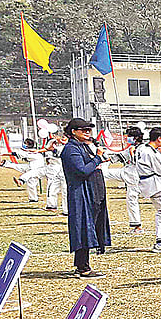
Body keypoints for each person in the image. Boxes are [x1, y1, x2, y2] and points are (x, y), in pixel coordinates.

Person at [59, 118, 110, 277]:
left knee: (91, 227)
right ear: (74, 132)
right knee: (83, 228)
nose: (88, 133)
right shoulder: (71, 149)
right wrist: (98, 158)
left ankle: (83, 264)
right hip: (81, 194)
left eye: (89, 130)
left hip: (93, 193)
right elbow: (82, 170)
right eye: (84, 130)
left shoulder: (84, 147)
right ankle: (83, 267)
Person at [0, 138, 48, 202]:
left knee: (29, 178)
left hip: (37, 170)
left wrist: (3, 154)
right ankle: (33, 199)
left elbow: (15, 154)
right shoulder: (31, 152)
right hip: (31, 167)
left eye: (25, 143)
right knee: (30, 182)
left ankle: (21, 181)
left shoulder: (32, 153)